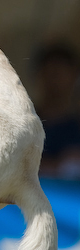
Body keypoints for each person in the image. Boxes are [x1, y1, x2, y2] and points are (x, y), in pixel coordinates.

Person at [34, 43, 80, 179]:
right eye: (52, 73)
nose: (55, 81)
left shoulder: (76, 129)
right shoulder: (21, 124)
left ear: (74, 77)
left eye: (61, 74)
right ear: (40, 75)